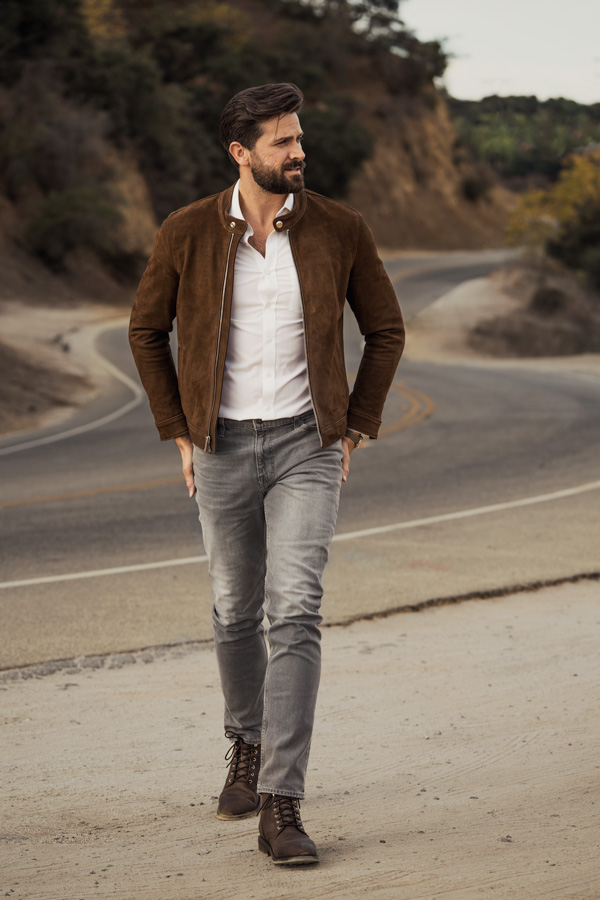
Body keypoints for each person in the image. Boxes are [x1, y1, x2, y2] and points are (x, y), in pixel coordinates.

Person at [129, 82, 404, 866]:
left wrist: (355, 423)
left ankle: (282, 800)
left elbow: (384, 330)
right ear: (240, 153)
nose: (299, 151)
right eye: (282, 142)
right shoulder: (186, 231)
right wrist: (178, 432)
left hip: (306, 445)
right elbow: (147, 330)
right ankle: (244, 745)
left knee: (296, 610)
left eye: (299, 137)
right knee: (232, 609)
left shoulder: (339, 229)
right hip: (217, 447)